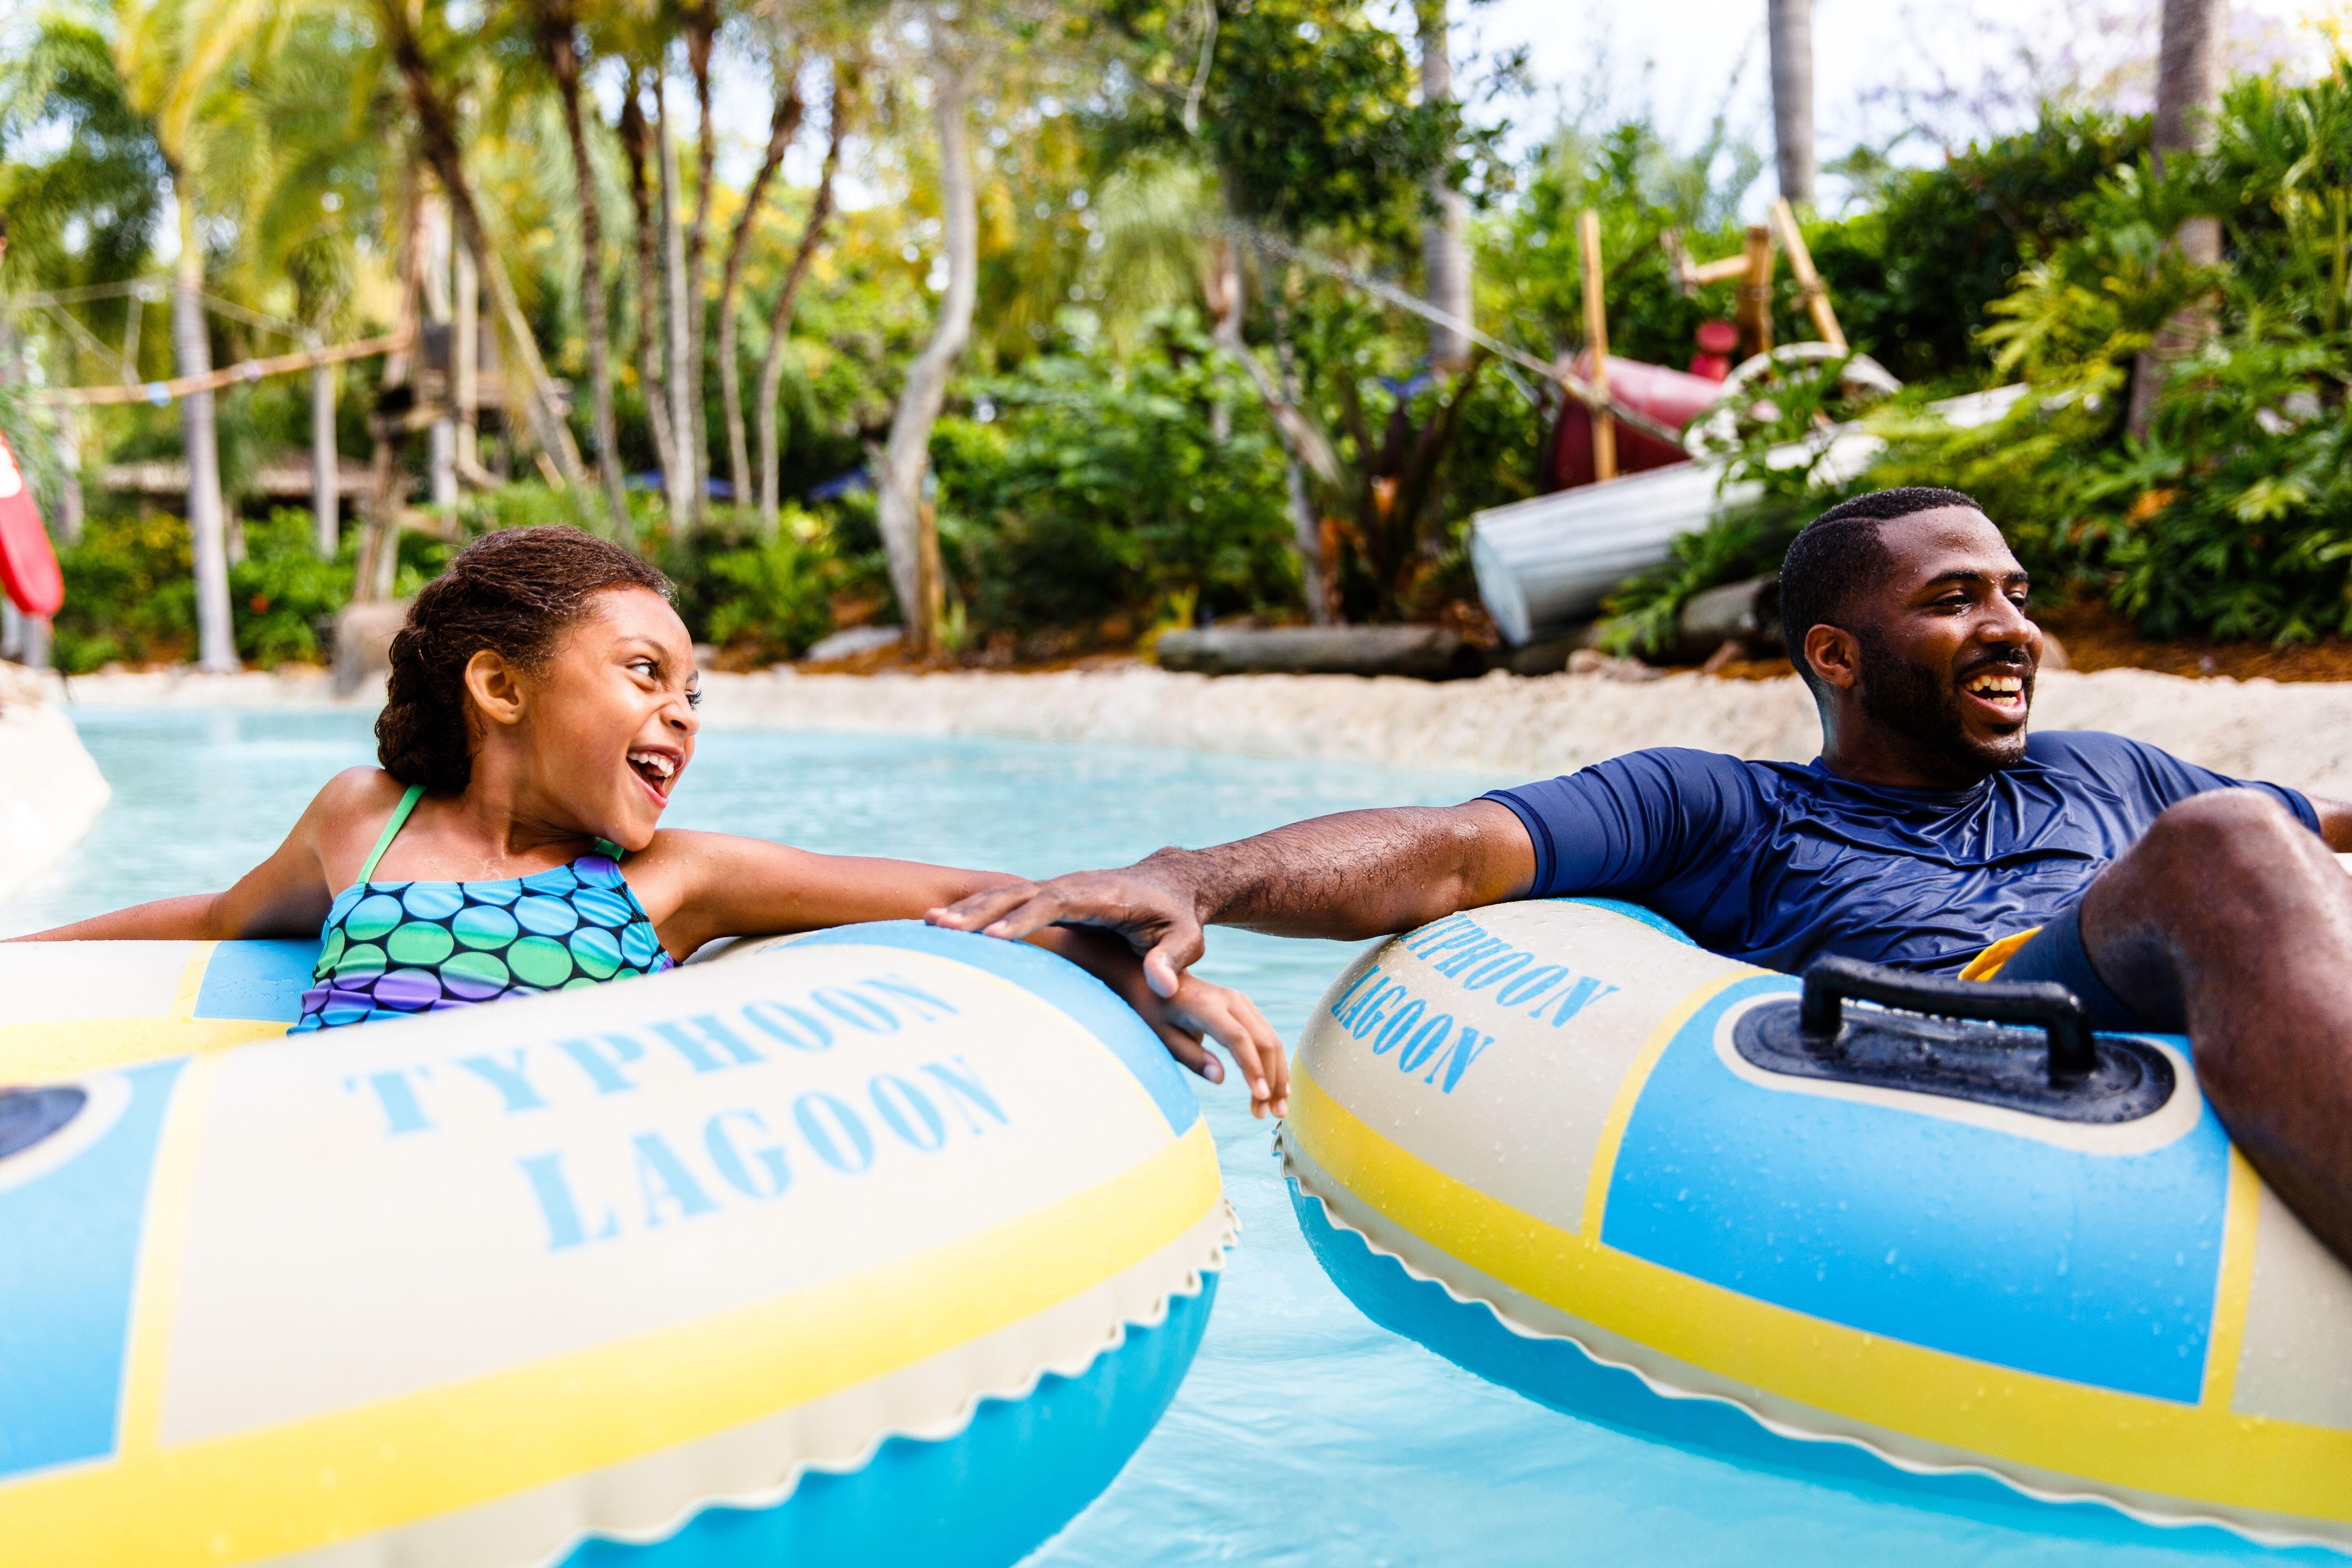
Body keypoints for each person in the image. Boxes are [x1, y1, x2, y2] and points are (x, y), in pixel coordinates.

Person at [931, 487, 2352, 1262]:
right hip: (1978, 1040)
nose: (2013, 630)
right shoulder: (1725, 808)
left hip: (2180, 1004)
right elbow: (1449, 851)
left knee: (2249, 840)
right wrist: (1198, 872)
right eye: (1955, 600)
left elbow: (2311, 851)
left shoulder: (2116, 774)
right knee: (2232, 844)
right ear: (1835, 659)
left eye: (2017, 597)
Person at [13, 526, 1286, 1114]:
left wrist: (1141, 961)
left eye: (693, 692)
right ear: (502, 687)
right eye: (642, 676)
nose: (680, 715)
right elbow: (215, 919)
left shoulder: (671, 882)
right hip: (312, 1165)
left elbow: (961, 899)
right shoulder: (365, 823)